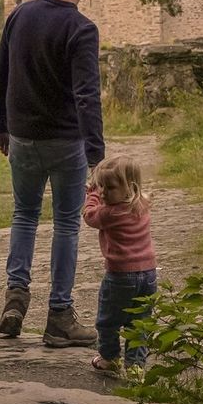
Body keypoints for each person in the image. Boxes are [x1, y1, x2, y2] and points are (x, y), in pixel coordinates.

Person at [0, 0, 105, 347]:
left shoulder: (20, 15)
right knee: (67, 225)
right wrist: (96, 153)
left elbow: (0, 74)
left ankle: (15, 299)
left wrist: (2, 124)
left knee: (24, 215)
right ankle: (59, 316)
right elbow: (87, 95)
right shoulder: (82, 29)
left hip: (22, 137)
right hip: (66, 141)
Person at [83, 154, 157, 373]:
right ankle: (135, 367)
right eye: (102, 187)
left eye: (110, 187)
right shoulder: (142, 204)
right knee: (139, 322)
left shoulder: (109, 213)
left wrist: (92, 195)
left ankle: (110, 358)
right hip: (149, 274)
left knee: (108, 320)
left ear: (128, 187)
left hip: (120, 277)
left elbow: (88, 216)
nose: (104, 192)